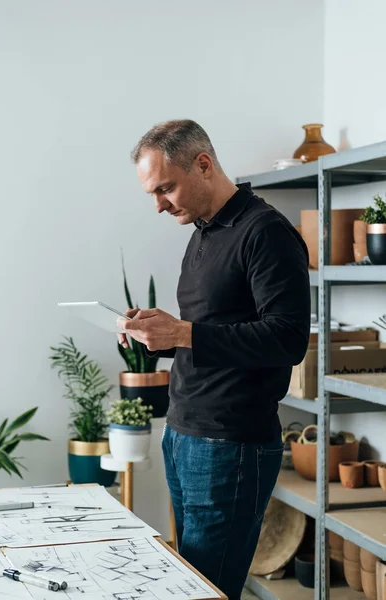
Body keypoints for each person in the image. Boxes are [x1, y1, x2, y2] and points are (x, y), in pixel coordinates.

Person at [117, 119, 310, 600]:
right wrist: (160, 333)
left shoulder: (265, 232)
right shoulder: (202, 232)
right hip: (184, 432)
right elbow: (211, 329)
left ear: (203, 164)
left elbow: (288, 339)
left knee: (206, 589)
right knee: (192, 581)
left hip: (230, 442)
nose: (159, 204)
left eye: (165, 188)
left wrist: (183, 331)